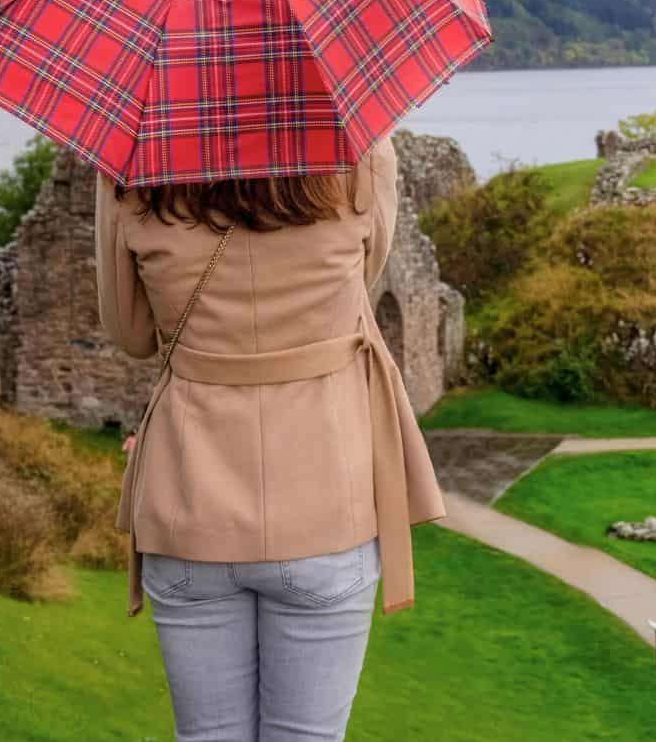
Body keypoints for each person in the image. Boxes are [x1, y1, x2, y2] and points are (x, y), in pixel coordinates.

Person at [96, 134, 446, 741]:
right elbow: (360, 284)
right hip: (325, 504)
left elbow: (131, 334)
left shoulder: (131, 159)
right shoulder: (361, 148)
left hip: (189, 502)